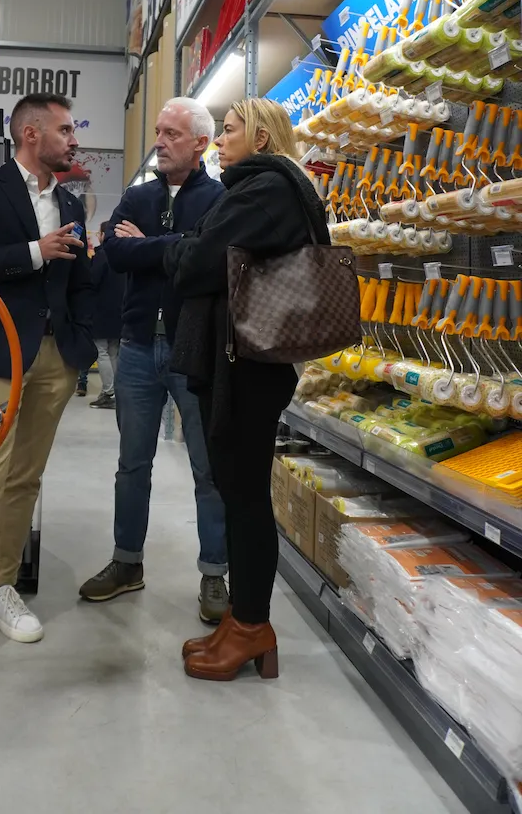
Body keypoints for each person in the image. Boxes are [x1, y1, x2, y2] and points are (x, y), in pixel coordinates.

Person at [0, 92, 97, 700]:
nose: (74, 140)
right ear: (31, 134)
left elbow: (75, 281)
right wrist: (35, 252)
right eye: (65, 130)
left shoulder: (70, 201)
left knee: (25, 480)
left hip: (55, 359)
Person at [165, 97, 329, 682]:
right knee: (239, 494)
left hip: (246, 367)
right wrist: (191, 246)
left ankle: (254, 626)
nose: (220, 139)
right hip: (246, 362)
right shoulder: (267, 188)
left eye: (230, 130)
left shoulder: (267, 191)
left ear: (261, 138)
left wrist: (178, 247)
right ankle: (241, 619)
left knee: (245, 497)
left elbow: (197, 264)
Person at [80, 97, 229, 624]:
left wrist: (154, 245)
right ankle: (127, 563)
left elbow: (210, 259)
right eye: (159, 131)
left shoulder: (220, 198)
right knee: (131, 465)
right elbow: (116, 252)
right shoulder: (138, 196)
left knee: (208, 470)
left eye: (171, 134)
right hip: (139, 347)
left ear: (201, 144)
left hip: (195, 350)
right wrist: (177, 246)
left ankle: (214, 574)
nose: (159, 142)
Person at [89, 221, 125, 409]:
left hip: (101, 312)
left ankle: (108, 392)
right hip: (119, 312)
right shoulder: (123, 256)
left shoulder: (101, 256)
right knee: (113, 352)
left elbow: (92, 281)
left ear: (104, 234)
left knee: (100, 351)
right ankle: (117, 392)